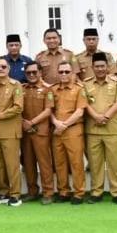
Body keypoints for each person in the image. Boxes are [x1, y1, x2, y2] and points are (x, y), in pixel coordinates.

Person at [84, 52, 117, 204]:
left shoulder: (116, 83)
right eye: (97, 66)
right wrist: (96, 116)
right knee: (95, 164)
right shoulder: (86, 84)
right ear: (92, 67)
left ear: (108, 67)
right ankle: (96, 192)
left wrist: (106, 116)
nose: (100, 69)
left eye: (103, 66)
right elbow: (85, 104)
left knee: (114, 163)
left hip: (112, 129)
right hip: (93, 130)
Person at [50, 60, 88, 204]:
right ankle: (63, 191)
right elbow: (50, 111)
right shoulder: (53, 90)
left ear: (72, 73)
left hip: (73, 129)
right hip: (57, 129)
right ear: (57, 73)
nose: (64, 74)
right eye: (61, 72)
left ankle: (79, 192)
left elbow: (80, 111)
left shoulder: (79, 89)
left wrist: (64, 125)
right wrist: (55, 123)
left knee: (76, 162)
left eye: (67, 71)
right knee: (60, 162)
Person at [0, 58, 24, 207]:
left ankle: (15, 194)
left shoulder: (16, 85)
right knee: (0, 165)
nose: (1, 69)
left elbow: (18, 107)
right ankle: (3, 192)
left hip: (10, 131)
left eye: (3, 66)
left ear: (8, 68)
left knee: (12, 165)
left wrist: (0, 116)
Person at [20, 61, 55, 204]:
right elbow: (17, 108)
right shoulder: (22, 89)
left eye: (34, 72)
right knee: (28, 163)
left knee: (44, 163)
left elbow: (48, 110)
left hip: (41, 131)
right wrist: (24, 122)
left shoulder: (48, 89)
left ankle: (48, 192)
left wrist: (31, 122)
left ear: (40, 72)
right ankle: (32, 191)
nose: (32, 75)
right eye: (28, 73)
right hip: (25, 132)